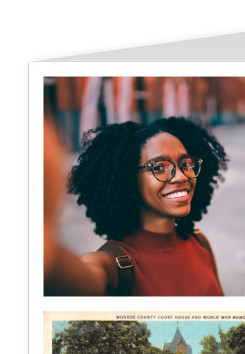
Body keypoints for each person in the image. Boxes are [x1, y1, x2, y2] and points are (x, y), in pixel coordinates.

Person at [46, 116, 228, 296]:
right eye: (159, 167)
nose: (181, 176)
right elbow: (72, 279)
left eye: (186, 163)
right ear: (130, 181)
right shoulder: (112, 266)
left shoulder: (200, 243)